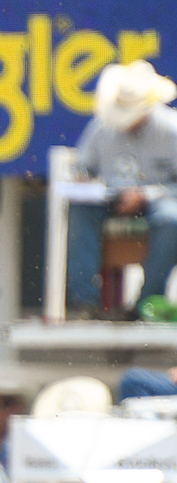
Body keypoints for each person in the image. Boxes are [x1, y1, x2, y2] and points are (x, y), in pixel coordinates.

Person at [69, 60, 177, 313]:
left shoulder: (171, 131)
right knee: (79, 213)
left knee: (172, 221)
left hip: (157, 202)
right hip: (109, 199)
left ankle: (146, 302)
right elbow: (83, 166)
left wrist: (146, 196)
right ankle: (84, 301)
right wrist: (82, 179)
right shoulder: (102, 126)